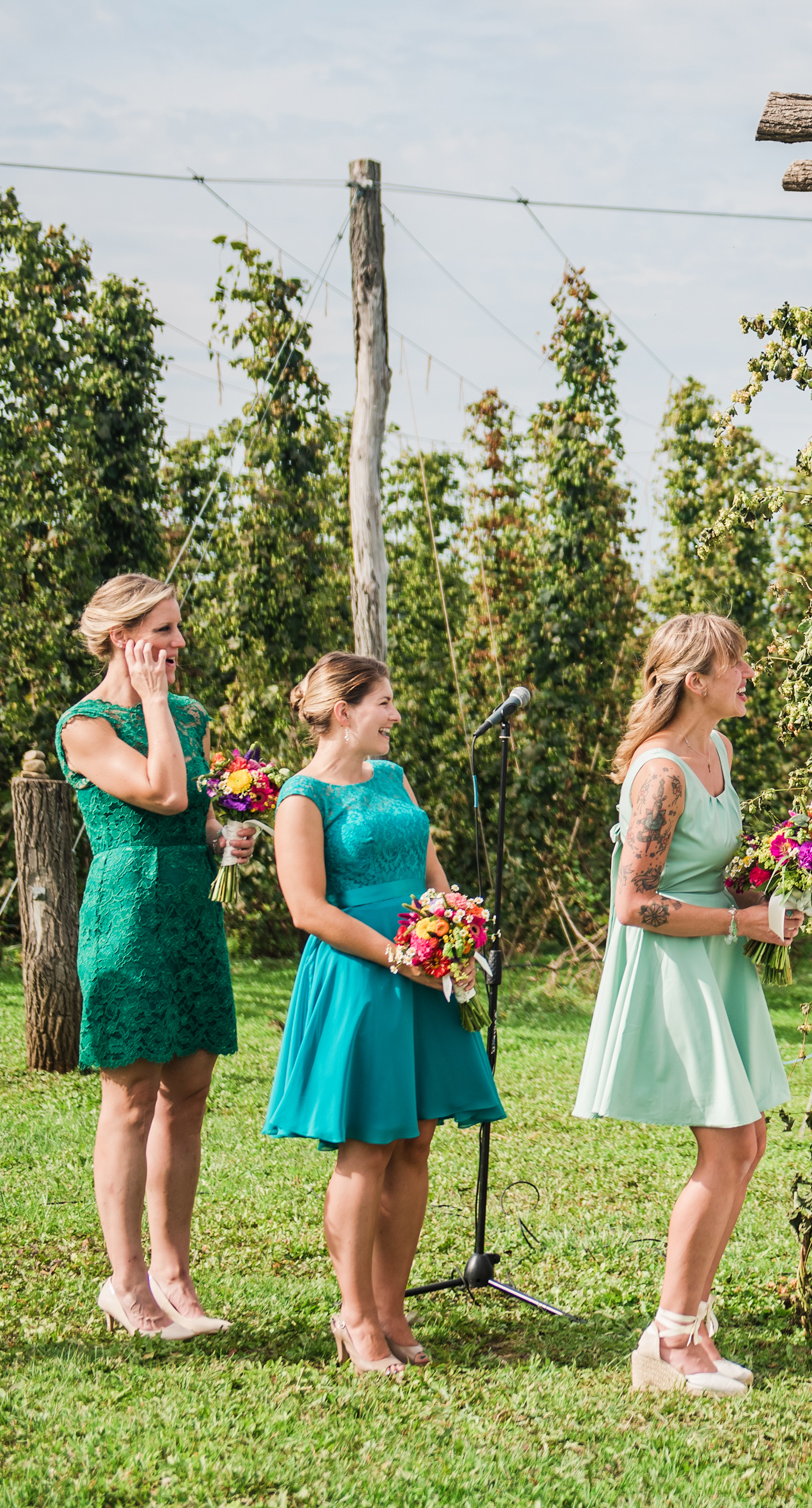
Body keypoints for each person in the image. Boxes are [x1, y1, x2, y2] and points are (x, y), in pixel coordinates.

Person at [264, 652, 506, 1377]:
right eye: (385, 703)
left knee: (418, 1143)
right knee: (367, 1146)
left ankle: (393, 1304)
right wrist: (399, 957)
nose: (396, 716)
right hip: (360, 979)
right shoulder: (302, 798)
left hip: (429, 973)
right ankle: (355, 1315)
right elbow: (307, 909)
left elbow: (429, 870)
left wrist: (456, 931)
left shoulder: (395, 779)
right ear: (344, 711)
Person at [574, 615, 794, 1399]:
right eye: (737, 664)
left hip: (718, 954)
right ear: (695, 680)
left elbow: (707, 868)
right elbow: (633, 904)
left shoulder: (719, 752)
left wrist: (766, 888)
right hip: (674, 965)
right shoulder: (661, 773)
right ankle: (669, 1342)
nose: (749, 675)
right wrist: (743, 920)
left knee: (750, 1140)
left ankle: (693, 1322)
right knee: (728, 1144)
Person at [56, 574, 254, 1341]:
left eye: (177, 628)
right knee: (132, 1095)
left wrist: (225, 839)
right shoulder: (85, 725)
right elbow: (165, 791)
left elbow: (193, 814)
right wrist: (152, 705)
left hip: (191, 905)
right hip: (129, 911)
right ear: (122, 638)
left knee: (189, 1090)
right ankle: (128, 1284)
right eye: (164, 631)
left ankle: (176, 1276)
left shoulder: (191, 714)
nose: (178, 644)